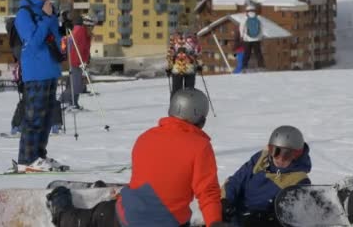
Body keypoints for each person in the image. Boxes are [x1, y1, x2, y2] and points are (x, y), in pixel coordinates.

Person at [46, 89, 231, 227]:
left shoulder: (146, 137)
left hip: (126, 217)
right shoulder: (200, 147)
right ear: (201, 120)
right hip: (168, 222)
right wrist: (214, 222)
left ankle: (61, 212)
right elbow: (207, 193)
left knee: (93, 218)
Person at [13, 0, 65, 172]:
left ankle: (39, 155)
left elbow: (54, 38)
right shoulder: (24, 14)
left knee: (46, 117)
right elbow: (33, 43)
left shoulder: (48, 9)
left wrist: (61, 27)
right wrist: (45, 17)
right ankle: (26, 159)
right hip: (35, 72)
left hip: (51, 69)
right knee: (34, 117)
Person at [221, 125, 311, 226]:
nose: (280, 159)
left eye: (287, 154)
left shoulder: (299, 180)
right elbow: (236, 181)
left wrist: (268, 219)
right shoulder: (261, 159)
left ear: (297, 155)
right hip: (234, 216)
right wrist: (225, 200)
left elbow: (291, 217)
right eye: (275, 151)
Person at [60, 14, 92, 110]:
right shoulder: (80, 31)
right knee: (76, 85)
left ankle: (73, 103)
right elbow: (76, 47)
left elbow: (85, 49)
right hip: (76, 61)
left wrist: (87, 59)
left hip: (79, 61)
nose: (93, 28)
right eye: (91, 25)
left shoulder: (84, 31)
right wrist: (81, 61)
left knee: (76, 84)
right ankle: (65, 101)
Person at [166, 30, 203, 96]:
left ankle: (188, 104)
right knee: (179, 91)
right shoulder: (175, 38)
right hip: (178, 68)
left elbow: (197, 53)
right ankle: (176, 104)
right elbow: (170, 54)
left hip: (187, 68)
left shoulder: (192, 38)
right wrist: (169, 67)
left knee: (187, 91)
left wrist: (199, 65)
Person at [239, 4, 265, 71]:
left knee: (247, 53)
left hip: (247, 39)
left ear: (247, 11)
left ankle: (244, 66)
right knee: (258, 53)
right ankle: (261, 66)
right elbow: (262, 28)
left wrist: (241, 36)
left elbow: (241, 28)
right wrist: (261, 36)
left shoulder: (245, 18)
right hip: (257, 39)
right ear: (254, 10)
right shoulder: (259, 18)